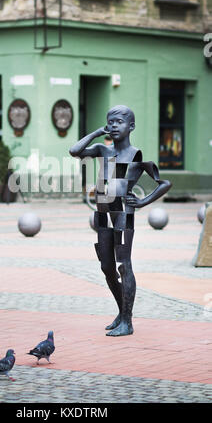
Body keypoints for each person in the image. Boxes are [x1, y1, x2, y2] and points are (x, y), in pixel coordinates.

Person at [69, 105, 172, 336]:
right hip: (103, 214)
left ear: (131, 126)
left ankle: (127, 320)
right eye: (111, 122)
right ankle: (121, 312)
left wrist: (143, 202)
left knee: (124, 266)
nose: (114, 126)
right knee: (106, 267)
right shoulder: (102, 150)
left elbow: (164, 183)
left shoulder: (136, 156)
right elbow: (75, 151)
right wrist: (97, 132)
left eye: (119, 122)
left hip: (124, 215)